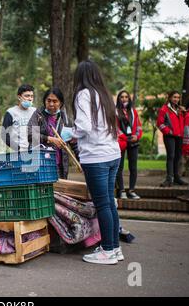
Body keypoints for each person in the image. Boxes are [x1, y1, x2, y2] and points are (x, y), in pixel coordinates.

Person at [71, 60, 123, 265]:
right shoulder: (105, 95)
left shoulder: (83, 94)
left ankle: (108, 250)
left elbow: (83, 126)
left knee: (102, 204)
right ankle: (114, 247)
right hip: (113, 154)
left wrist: (71, 134)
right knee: (109, 203)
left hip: (96, 157)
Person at [27, 88, 77, 179]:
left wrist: (81, 161)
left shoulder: (65, 118)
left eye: (55, 101)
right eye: (48, 100)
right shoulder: (38, 115)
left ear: (60, 103)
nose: (51, 104)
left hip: (60, 165)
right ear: (44, 101)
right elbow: (30, 135)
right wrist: (50, 139)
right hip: (42, 164)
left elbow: (74, 142)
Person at [156, 91, 188, 187]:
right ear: (170, 98)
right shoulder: (164, 109)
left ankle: (177, 178)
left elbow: (186, 122)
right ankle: (169, 178)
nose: (176, 99)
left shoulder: (180, 109)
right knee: (171, 156)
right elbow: (160, 124)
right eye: (174, 97)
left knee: (178, 157)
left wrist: (185, 112)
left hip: (179, 136)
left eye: (178, 97)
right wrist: (169, 132)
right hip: (170, 136)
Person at [115, 90, 143, 199]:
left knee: (133, 167)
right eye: (122, 97)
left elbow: (138, 125)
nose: (124, 99)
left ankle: (131, 190)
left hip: (133, 141)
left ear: (129, 99)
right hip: (121, 142)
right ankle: (121, 190)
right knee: (119, 167)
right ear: (118, 99)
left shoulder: (133, 111)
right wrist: (124, 137)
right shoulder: (115, 111)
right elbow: (115, 128)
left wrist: (137, 136)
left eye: (126, 97)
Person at [1, 84, 36, 151]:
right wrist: (17, 148)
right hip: (17, 153)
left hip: (34, 151)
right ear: (19, 97)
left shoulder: (35, 111)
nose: (30, 99)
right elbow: (4, 134)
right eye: (27, 96)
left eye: (32, 96)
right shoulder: (11, 112)